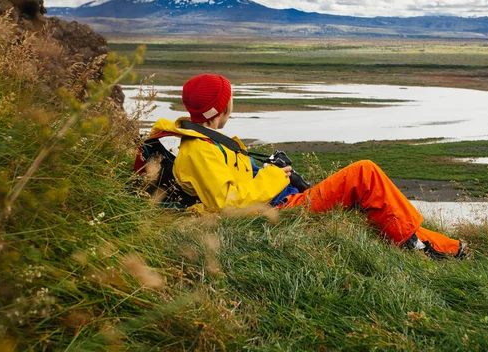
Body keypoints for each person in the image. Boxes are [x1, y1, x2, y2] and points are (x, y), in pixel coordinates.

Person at [148, 73, 467, 258]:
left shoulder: (206, 140)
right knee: (364, 173)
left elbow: (233, 187)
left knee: (369, 201)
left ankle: (447, 248)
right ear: (221, 108)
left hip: (276, 203)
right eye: (229, 98)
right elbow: (229, 203)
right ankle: (418, 247)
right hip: (275, 212)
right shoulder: (200, 151)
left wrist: (270, 172)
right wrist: (274, 176)